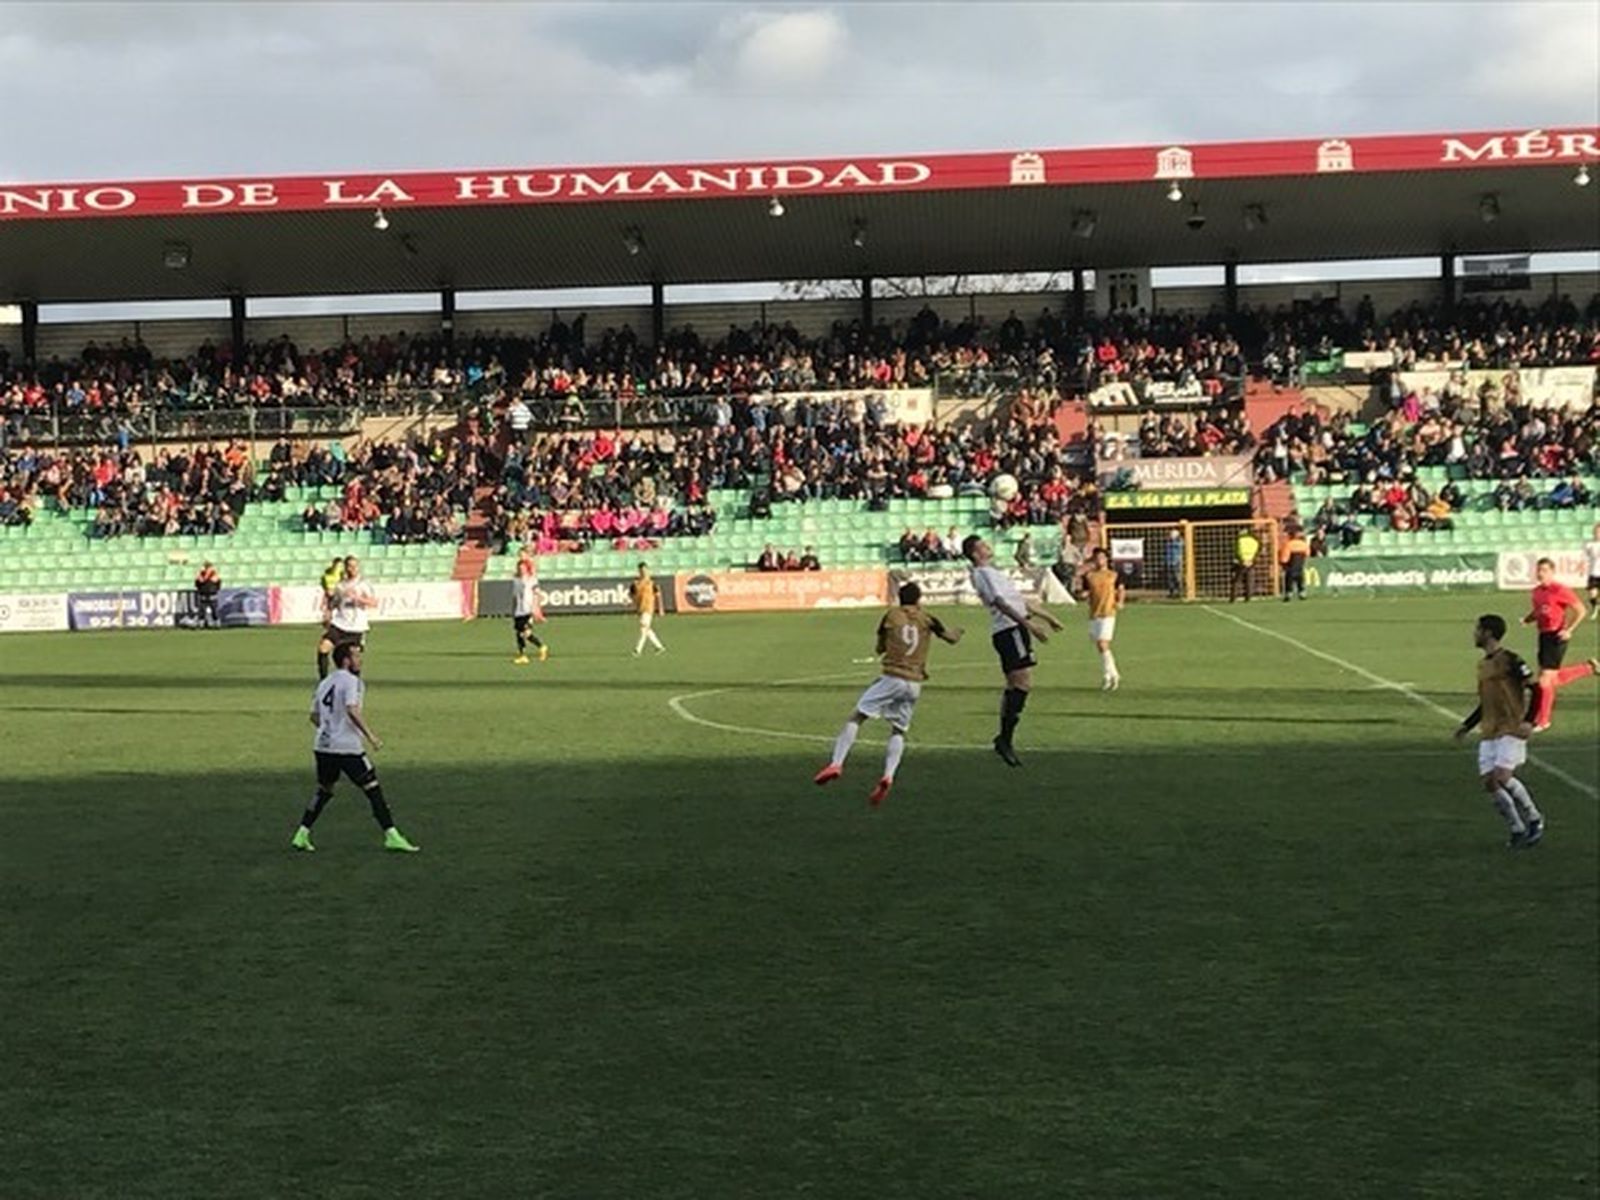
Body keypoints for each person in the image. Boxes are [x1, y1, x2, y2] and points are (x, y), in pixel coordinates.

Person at [813, 581, 964, 806]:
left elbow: (879, 648)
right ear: (919, 599)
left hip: (892, 676)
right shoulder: (928, 618)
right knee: (898, 730)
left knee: (857, 716)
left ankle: (837, 762)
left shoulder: (890, 616)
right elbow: (951, 638)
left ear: (899, 598)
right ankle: (888, 775)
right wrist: (959, 632)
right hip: (914, 682)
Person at [293, 643, 420, 854]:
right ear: (346, 660)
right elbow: (352, 709)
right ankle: (392, 836)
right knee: (373, 789)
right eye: (356, 657)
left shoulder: (325, 682)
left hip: (323, 747)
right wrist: (370, 736)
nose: (360, 661)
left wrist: (330, 729)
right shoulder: (353, 682)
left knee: (325, 790)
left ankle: (302, 832)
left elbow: (314, 716)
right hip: (347, 748)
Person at [962, 534, 1062, 767]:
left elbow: (1017, 600)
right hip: (1010, 629)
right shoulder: (983, 574)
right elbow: (1000, 603)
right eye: (983, 545)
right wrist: (1030, 626)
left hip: (1016, 628)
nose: (989, 546)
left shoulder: (993, 572)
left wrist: (1047, 617)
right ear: (976, 554)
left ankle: (1004, 739)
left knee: (1017, 684)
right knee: (1021, 683)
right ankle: (1004, 739)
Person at [1453, 615, 1544, 849]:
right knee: (1490, 783)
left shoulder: (1511, 660)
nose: (1474, 634)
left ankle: (1534, 818)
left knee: (1502, 777)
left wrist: (1530, 721)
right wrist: (1467, 725)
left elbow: (1537, 689)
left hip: (1511, 728)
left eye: (1477, 629)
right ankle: (1517, 828)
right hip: (1490, 730)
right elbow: (1486, 701)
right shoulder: (1483, 665)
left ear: (1489, 633)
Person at [1522, 557, 1595, 732]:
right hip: (1543, 636)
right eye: (1539, 570)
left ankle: (1543, 720)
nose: (1541, 574)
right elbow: (1539, 610)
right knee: (1550, 679)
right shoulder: (1536, 592)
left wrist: (1569, 629)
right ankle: (1588, 668)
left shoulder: (1560, 589)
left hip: (1557, 636)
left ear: (1552, 572)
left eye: (1545, 570)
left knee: (1545, 680)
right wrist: (1528, 619)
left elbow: (1581, 610)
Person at [318, 555, 377, 680]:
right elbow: (335, 602)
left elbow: (373, 603)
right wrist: (328, 613)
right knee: (323, 647)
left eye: (355, 566)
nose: (352, 569)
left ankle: (355, 683)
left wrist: (357, 598)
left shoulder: (363, 584)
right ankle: (323, 681)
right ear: (345, 568)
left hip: (356, 626)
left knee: (352, 661)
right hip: (340, 624)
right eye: (349, 566)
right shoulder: (341, 585)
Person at [1080, 547, 1125, 691]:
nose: (1099, 561)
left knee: (1103, 643)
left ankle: (1111, 675)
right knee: (1099, 645)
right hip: (1094, 612)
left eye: (1102, 558)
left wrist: (1120, 601)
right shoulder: (1089, 576)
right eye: (1097, 558)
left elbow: (1121, 589)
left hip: (1108, 611)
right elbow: (1085, 592)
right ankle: (1111, 673)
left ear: (1106, 559)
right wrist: (1084, 595)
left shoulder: (1113, 575)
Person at [511, 557, 549, 665]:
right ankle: (522, 655)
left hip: (528, 609)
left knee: (526, 633)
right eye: (519, 568)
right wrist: (513, 609)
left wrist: (536, 608)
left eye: (523, 568)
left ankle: (541, 646)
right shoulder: (516, 580)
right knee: (519, 634)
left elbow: (538, 594)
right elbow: (514, 596)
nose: (521, 570)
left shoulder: (531, 580)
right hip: (519, 610)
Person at [631, 562, 666, 656]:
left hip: (649, 608)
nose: (643, 572)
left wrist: (660, 609)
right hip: (640, 609)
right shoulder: (636, 583)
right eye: (641, 570)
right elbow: (632, 595)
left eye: (645, 570)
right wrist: (634, 605)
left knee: (643, 628)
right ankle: (659, 647)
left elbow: (658, 595)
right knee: (647, 629)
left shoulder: (651, 583)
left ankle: (637, 650)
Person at [1230, 527, 1261, 603]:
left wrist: (1240, 560)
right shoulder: (1255, 540)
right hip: (1251, 561)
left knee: (1237, 580)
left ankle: (1233, 597)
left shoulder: (1239, 540)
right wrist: (1253, 560)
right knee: (1250, 580)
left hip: (1241, 561)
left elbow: (1236, 550)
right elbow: (1258, 550)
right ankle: (1248, 597)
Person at [1279, 524, 1310, 602]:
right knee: (1300, 580)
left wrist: (1283, 565)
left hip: (1291, 567)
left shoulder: (1288, 545)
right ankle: (1301, 592)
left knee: (1289, 580)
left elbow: (1284, 558)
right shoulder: (1304, 544)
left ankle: (1289, 593)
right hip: (1300, 567)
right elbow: (1307, 554)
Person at [193, 561, 221, 629]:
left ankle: (216, 624)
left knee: (215, 612)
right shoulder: (201, 574)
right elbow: (197, 583)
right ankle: (201, 624)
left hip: (212, 595)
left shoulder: (214, 574)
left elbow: (218, 583)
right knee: (202, 612)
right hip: (203, 596)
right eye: (206, 567)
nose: (207, 568)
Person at [1164, 528, 1184, 600]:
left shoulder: (1179, 542)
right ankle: (1171, 592)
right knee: (1170, 578)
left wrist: (1175, 539)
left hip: (1176, 562)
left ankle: (1180, 592)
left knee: (1177, 577)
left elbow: (1180, 545)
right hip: (1169, 562)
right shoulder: (1168, 542)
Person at [1585, 522, 1600, 620]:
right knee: (1592, 595)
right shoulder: (1589, 545)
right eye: (1597, 532)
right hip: (1593, 573)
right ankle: (1595, 609)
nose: (1598, 534)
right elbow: (1585, 557)